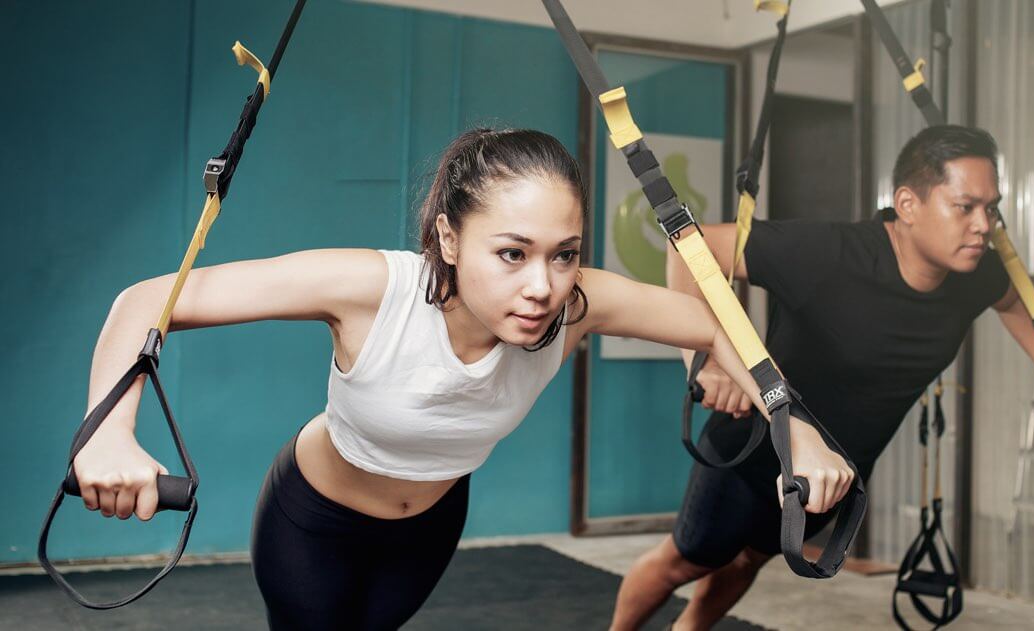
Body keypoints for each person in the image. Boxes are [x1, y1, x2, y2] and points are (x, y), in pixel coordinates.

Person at [70, 128, 853, 630]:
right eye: (511, 253)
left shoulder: (578, 304)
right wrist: (108, 430)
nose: (542, 285)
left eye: (564, 252)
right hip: (314, 519)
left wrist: (796, 427)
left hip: (429, 525)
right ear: (448, 235)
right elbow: (147, 301)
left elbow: (719, 318)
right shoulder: (369, 288)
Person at [611, 125, 1034, 630]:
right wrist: (706, 359)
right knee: (687, 561)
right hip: (752, 448)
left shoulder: (977, 273)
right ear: (908, 204)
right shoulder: (830, 254)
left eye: (992, 208)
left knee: (751, 558)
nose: (984, 226)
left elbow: (1015, 304)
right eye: (965, 207)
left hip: (840, 469)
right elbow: (689, 249)